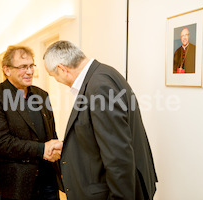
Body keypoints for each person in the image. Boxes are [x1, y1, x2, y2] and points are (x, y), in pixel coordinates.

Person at [43, 40, 158, 200]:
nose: (58, 81)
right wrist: (70, 146)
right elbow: (101, 133)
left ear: (63, 69)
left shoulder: (99, 87)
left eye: (54, 76)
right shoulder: (102, 74)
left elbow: (118, 155)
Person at [0, 46, 63, 200]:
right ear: (7, 70)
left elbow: (51, 132)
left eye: (31, 65)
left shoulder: (41, 94)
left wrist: (56, 154)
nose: (30, 71)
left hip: (47, 180)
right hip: (16, 182)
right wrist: (41, 149)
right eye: (23, 67)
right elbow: (0, 142)